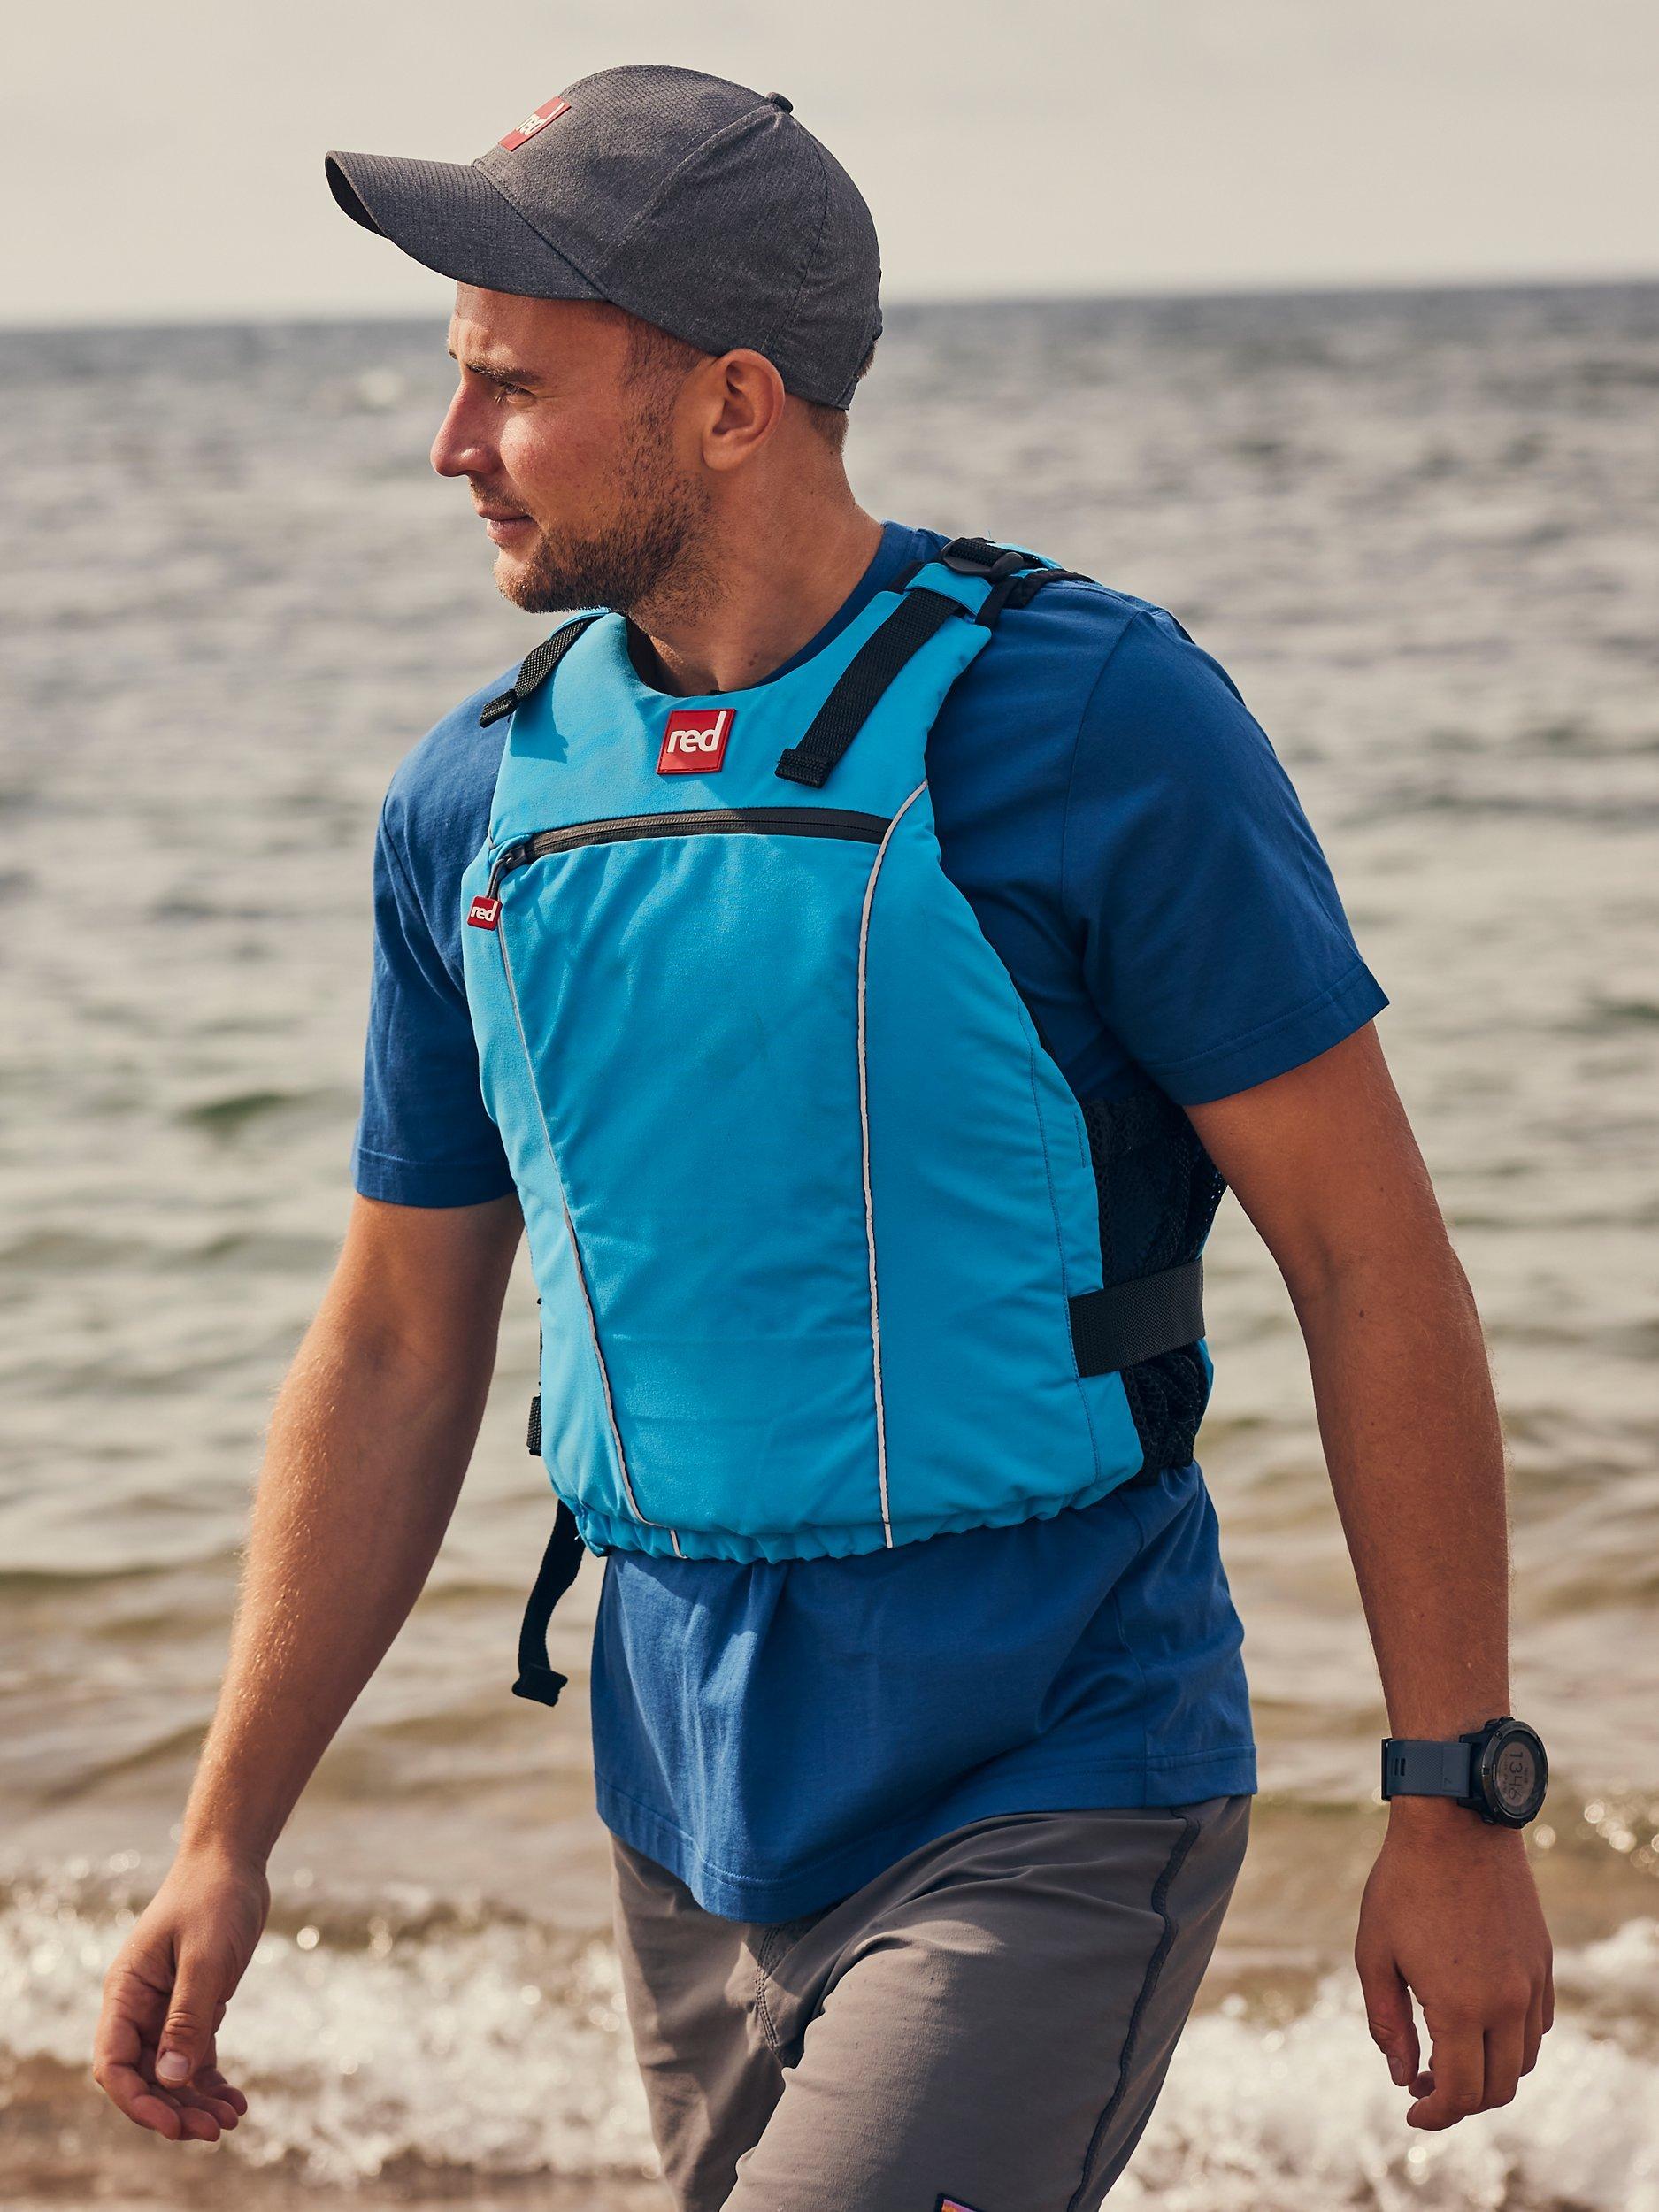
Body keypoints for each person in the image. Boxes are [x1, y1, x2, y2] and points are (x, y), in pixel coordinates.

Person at [93, 64, 1553, 2211]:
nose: (449, 443)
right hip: (679, 1803)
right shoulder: (472, 804)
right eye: (456, 378)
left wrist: (1453, 1794)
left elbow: (1367, 1262)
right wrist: (226, 1829)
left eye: (514, 385)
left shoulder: (1093, 720)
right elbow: (397, 1342)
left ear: (730, 401)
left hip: (1051, 1767)